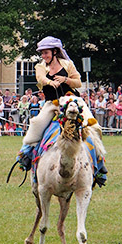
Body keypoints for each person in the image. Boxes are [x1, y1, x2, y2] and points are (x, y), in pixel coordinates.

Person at [16, 36, 105, 172]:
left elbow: (78, 82)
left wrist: (65, 80)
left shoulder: (67, 64)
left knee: (94, 127)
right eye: (42, 53)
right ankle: (25, 155)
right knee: (36, 124)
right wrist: (50, 82)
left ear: (55, 52)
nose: (43, 55)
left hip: (73, 102)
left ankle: (99, 163)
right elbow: (40, 78)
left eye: (46, 52)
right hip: (52, 104)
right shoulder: (40, 66)